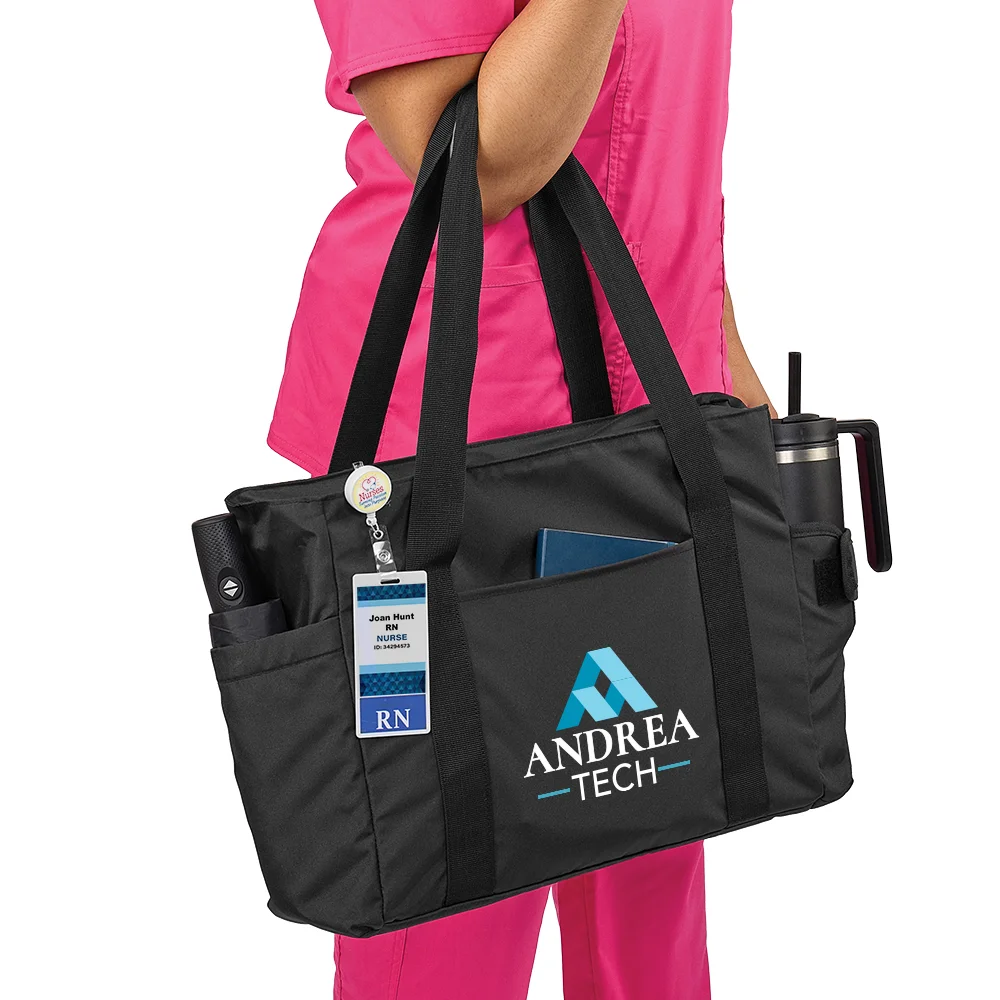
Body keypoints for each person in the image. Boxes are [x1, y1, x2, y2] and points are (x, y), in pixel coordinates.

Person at [269, 2, 775, 997]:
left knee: (648, 897)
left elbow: (663, 169)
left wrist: (745, 414)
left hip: (654, 428)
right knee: (448, 899)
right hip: (448, 449)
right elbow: (479, 169)